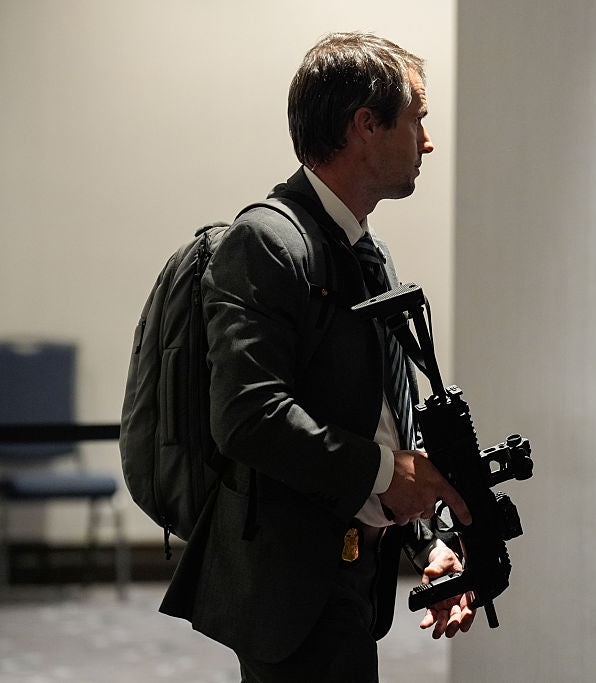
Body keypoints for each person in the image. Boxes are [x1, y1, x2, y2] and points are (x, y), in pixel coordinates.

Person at [160, 32, 476, 681]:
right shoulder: (266, 242)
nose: (427, 141)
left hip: (350, 579)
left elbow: (383, 415)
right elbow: (247, 415)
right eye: (416, 118)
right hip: (294, 591)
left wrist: (429, 541)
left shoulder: (365, 251)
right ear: (366, 125)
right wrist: (386, 474)